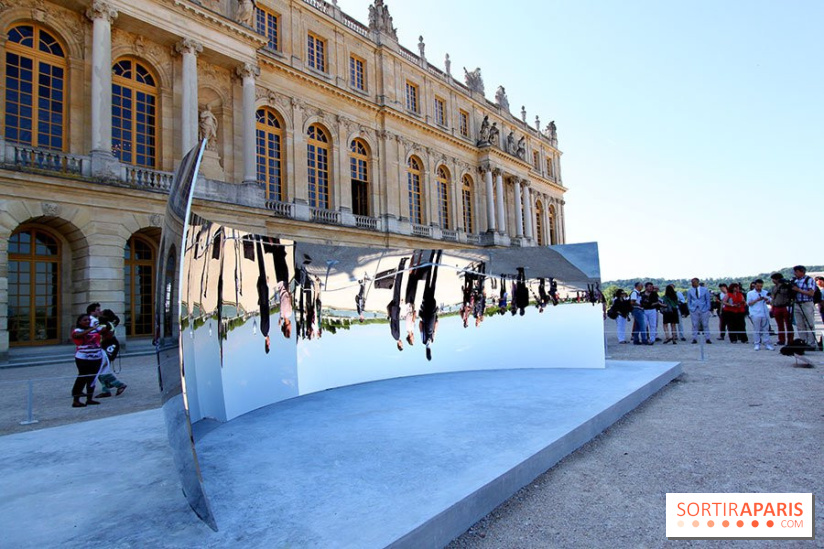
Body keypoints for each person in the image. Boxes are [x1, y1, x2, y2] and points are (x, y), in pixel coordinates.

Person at [70, 314, 103, 407]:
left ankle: (89, 398)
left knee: (92, 378)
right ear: (79, 322)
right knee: (82, 378)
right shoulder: (77, 330)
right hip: (83, 358)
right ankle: (76, 400)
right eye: (85, 320)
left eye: (88, 320)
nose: (87, 321)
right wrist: (90, 329)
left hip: (96, 357)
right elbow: (77, 336)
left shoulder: (95, 329)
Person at [95, 309, 127, 397]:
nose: (99, 313)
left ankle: (118, 384)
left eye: (101, 313)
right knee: (101, 368)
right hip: (109, 346)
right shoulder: (109, 323)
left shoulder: (105, 325)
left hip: (108, 346)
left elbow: (105, 336)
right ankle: (106, 389)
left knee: (101, 368)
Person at [419, 250, 442, 360]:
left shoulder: (432, 340)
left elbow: (436, 324)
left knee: (434, 282)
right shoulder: (423, 340)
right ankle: (432, 255)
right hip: (425, 309)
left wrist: (436, 315)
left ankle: (438, 256)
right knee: (428, 281)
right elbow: (420, 325)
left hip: (432, 310)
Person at [790, 266, 817, 347]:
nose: (795, 273)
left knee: (809, 324)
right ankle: (803, 342)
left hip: (807, 303)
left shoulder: (808, 280)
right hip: (796, 303)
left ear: (802, 272)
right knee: (800, 325)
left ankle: (811, 343)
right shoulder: (794, 280)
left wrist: (798, 290)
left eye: (796, 272)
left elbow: (811, 293)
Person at [387, 257, 408, 351]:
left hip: (395, 309)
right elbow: (391, 322)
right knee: (397, 287)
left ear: (399, 345)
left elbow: (393, 322)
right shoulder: (395, 336)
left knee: (398, 286)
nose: (402, 343)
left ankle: (402, 264)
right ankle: (402, 265)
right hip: (395, 309)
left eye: (402, 345)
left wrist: (396, 310)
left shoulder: (396, 336)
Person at [747, 279, 773, 351]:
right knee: (757, 329)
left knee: (766, 329)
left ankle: (767, 344)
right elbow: (749, 303)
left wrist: (767, 300)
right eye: (758, 286)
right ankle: (757, 344)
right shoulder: (750, 293)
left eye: (761, 286)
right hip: (755, 313)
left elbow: (770, 302)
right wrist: (757, 300)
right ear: (754, 285)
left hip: (764, 313)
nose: (759, 288)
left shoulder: (765, 292)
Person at [769, 272, 793, 346]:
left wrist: (784, 284)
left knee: (788, 324)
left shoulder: (785, 286)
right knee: (780, 325)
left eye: (774, 279)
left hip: (785, 306)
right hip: (777, 306)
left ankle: (790, 340)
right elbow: (773, 298)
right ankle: (781, 340)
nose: (773, 281)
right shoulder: (774, 287)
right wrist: (772, 308)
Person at [686, 278, 712, 344]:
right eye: (692, 282)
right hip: (694, 309)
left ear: (697, 282)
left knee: (705, 324)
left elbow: (708, 300)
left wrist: (707, 308)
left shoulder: (705, 290)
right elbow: (688, 300)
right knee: (694, 324)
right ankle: (694, 338)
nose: (692, 284)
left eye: (693, 282)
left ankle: (707, 338)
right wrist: (690, 308)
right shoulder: (690, 291)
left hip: (704, 309)